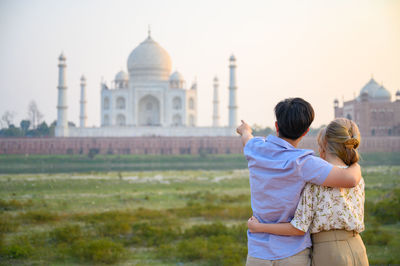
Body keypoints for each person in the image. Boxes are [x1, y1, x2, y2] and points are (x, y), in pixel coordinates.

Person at [236, 98, 362, 266]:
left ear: (276, 126)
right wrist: (355, 164)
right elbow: (351, 179)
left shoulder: (255, 148)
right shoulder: (305, 163)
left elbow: (247, 139)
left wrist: (245, 130)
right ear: (305, 132)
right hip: (294, 254)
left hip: (258, 253)